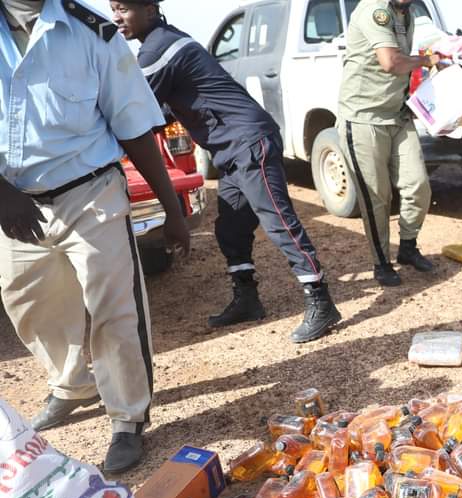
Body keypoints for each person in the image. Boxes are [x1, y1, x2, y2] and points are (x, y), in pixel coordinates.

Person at [0, 0, 191, 473]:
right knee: (26, 301)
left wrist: (172, 209)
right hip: (14, 202)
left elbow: (133, 126)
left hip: (90, 192)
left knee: (115, 310)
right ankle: (73, 385)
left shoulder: (92, 33)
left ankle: (127, 418)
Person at [110, 0, 341, 343]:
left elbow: (133, 111)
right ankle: (247, 298)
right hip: (231, 148)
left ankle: (321, 300)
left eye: (123, 9)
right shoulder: (163, 41)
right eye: (112, 9)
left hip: (249, 142)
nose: (116, 17)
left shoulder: (158, 49)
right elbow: (165, 109)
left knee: (279, 221)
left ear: (150, 9)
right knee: (230, 227)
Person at [339, 0, 439, 288]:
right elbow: (391, 62)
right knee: (376, 197)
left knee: (418, 185)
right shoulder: (375, 9)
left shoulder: (406, 13)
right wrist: (426, 60)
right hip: (363, 117)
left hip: (398, 114)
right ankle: (381, 262)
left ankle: (407, 246)